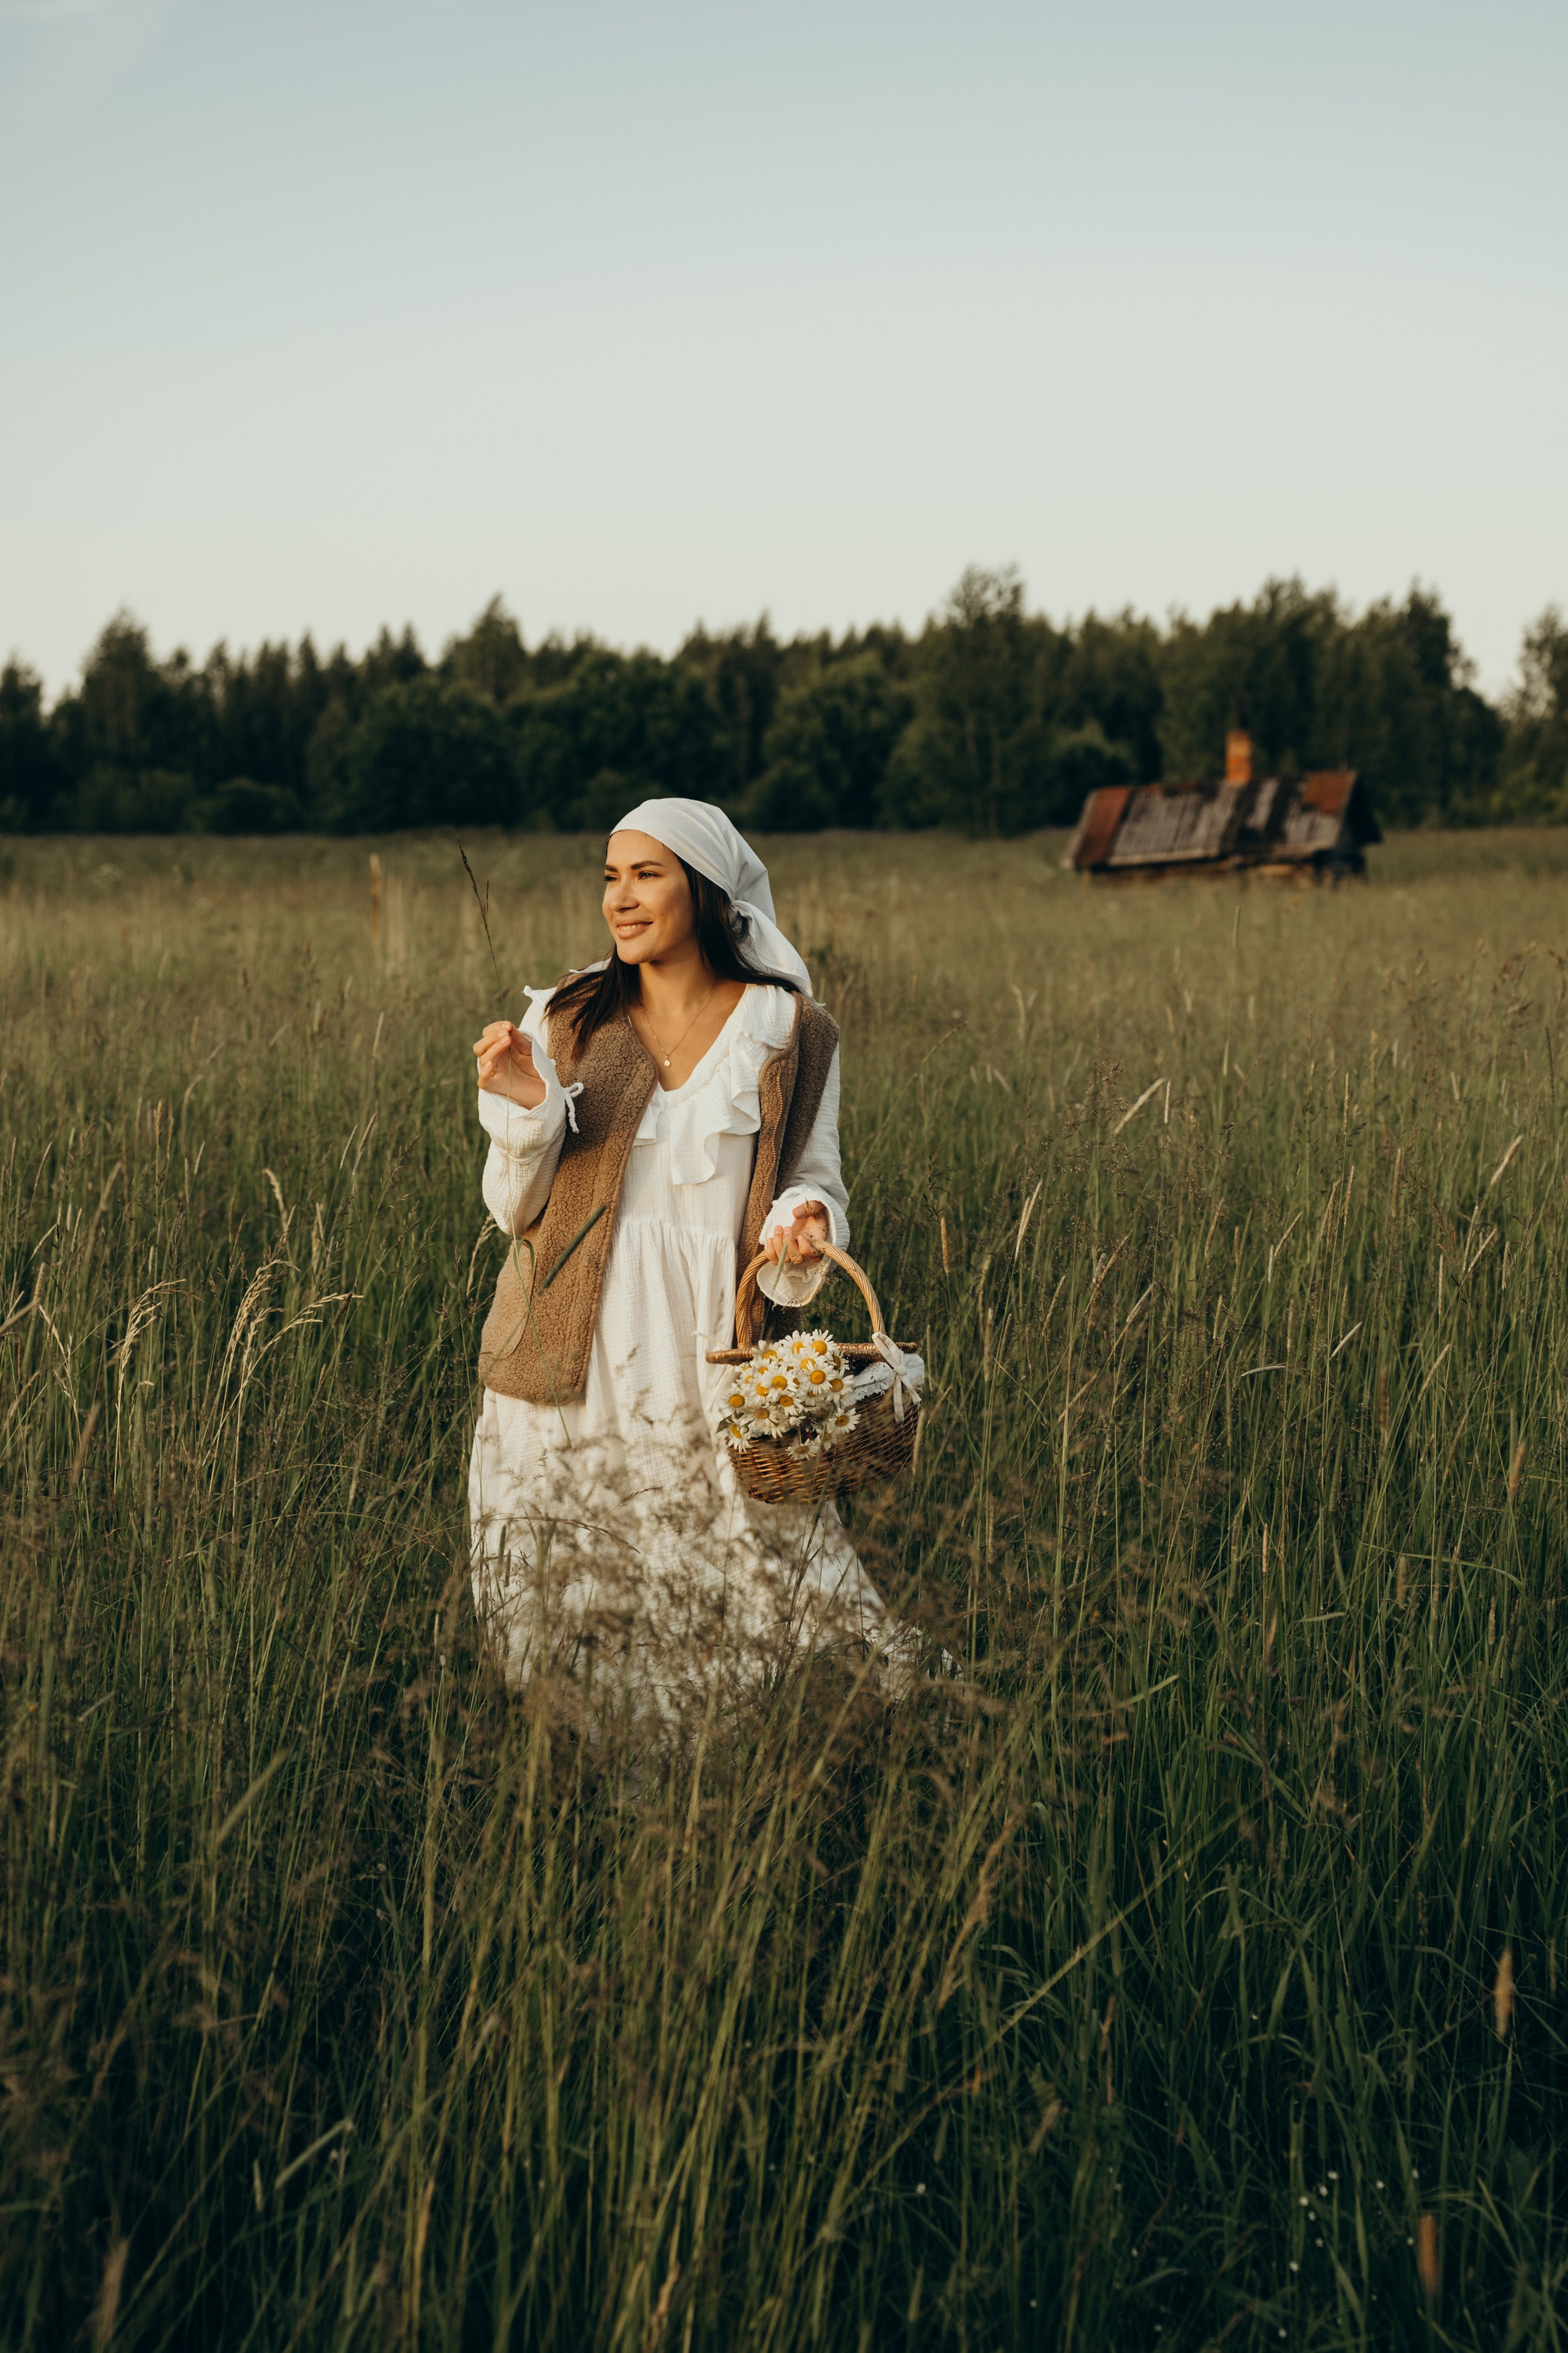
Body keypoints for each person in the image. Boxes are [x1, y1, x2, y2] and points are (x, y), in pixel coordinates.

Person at [467, 798, 902, 1700]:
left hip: (709, 1344)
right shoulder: (565, 1017)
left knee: (747, 1569)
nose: (621, 899)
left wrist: (805, 1221)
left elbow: (814, 1178)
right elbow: (514, 1211)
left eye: (646, 875)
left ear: (705, 891)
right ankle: (576, 1758)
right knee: (575, 1565)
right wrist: (527, 1113)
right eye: (610, 877)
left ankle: (769, 1748)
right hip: (573, 1339)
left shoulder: (789, 1028)